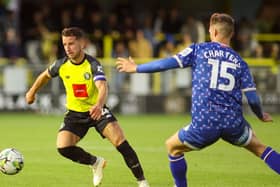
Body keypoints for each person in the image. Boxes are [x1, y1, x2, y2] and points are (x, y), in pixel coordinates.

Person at [116, 13, 280, 187]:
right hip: (233, 123)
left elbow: (166, 64)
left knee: (172, 147)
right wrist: (260, 115)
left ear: (215, 32)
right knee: (260, 148)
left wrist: (136, 68)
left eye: (210, 29)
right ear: (230, 34)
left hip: (205, 123)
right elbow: (253, 99)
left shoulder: (198, 50)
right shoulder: (241, 62)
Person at [25, 27, 149, 187]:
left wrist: (98, 105)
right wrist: (31, 92)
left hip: (97, 111)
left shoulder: (92, 64)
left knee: (120, 142)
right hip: (75, 113)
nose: (68, 48)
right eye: (65, 44)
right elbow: (45, 75)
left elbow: (103, 86)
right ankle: (95, 162)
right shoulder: (61, 65)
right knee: (63, 147)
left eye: (71, 44)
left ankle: (142, 182)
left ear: (82, 44)